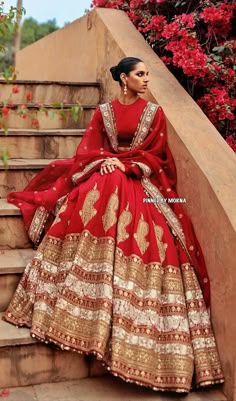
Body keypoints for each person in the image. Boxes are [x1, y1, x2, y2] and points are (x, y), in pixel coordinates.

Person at [3, 57, 224, 392]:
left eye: (148, 74)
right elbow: (88, 151)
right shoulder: (103, 112)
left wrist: (128, 166)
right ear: (124, 78)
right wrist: (105, 161)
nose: (146, 79)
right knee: (90, 194)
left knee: (151, 233)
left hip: (137, 179)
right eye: (140, 74)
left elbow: (159, 157)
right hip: (106, 173)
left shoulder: (154, 114)